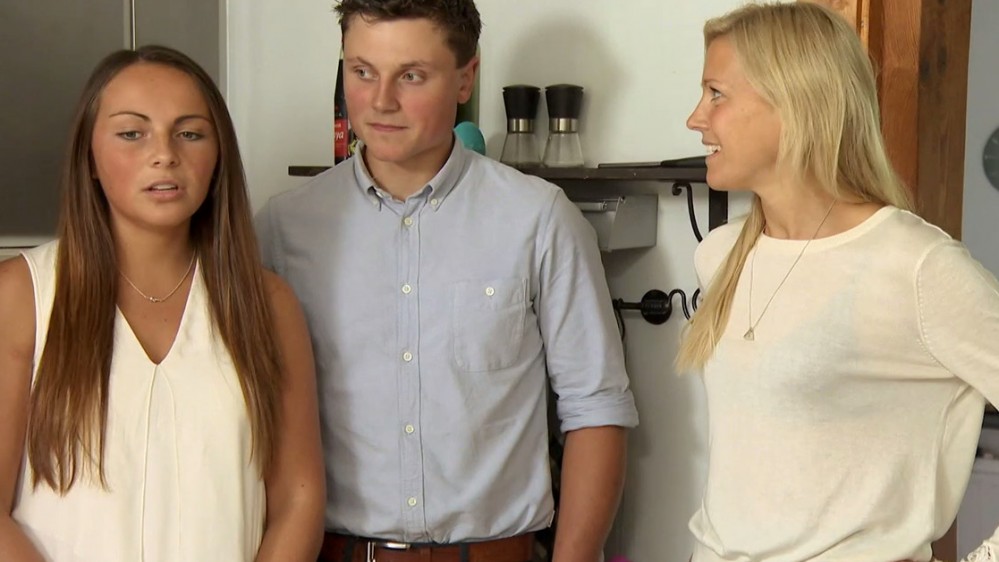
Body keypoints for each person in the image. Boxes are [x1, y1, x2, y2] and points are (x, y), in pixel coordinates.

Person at [254, 1, 639, 560]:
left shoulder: (539, 220)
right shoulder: (282, 229)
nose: (381, 100)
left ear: (465, 77)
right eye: (362, 72)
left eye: (411, 76)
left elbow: (596, 407)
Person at [678, 3, 999, 562]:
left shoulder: (915, 267)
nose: (695, 118)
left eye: (716, 94)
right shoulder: (721, 255)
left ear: (794, 102)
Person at [0, 45, 326, 561]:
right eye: (132, 133)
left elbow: (298, 500)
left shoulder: (268, 305)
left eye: (190, 133)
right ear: (89, 156)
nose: (165, 154)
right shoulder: (21, 297)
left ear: (218, 156)